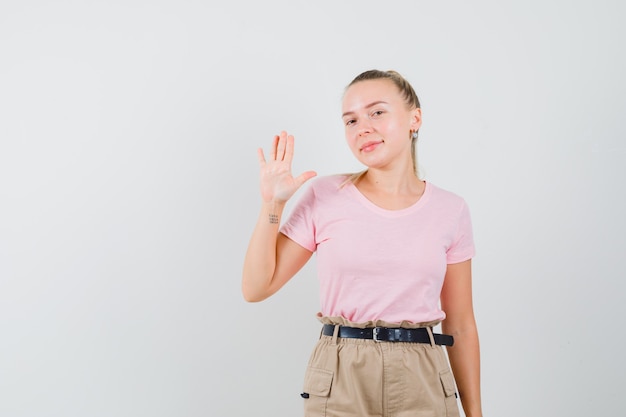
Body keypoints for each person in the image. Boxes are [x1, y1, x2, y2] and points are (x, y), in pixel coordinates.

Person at [242, 69, 482, 417]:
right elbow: (256, 287)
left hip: (423, 375)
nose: (362, 128)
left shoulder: (451, 209)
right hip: (341, 373)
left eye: (377, 112)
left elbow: (460, 323)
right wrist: (273, 204)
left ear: (415, 118)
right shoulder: (325, 196)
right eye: (350, 120)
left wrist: (475, 414)